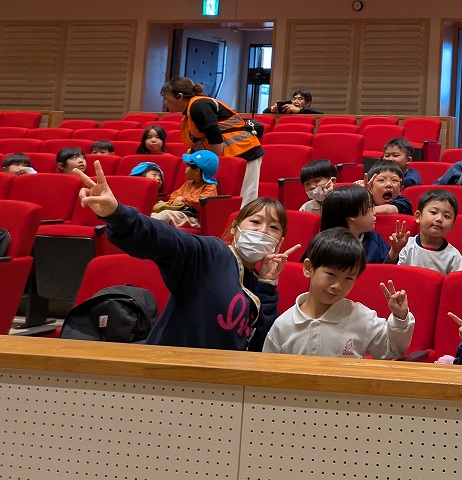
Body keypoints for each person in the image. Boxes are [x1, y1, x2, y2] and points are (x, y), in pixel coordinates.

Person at [76, 162, 297, 351]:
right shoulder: (211, 254)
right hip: (171, 370)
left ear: (279, 241)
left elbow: (263, 345)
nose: (262, 231)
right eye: (255, 222)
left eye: (273, 228)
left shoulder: (258, 285)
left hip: (220, 378)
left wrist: (267, 285)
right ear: (235, 228)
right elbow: (167, 239)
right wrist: (117, 214)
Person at [262, 228, 414, 359]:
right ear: (309, 268)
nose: (338, 286)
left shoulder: (361, 317)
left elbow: (391, 350)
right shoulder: (284, 325)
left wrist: (400, 317)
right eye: (331, 274)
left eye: (348, 278)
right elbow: (268, 369)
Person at [161, 76, 265, 205]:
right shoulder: (191, 110)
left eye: (167, 98)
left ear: (180, 96)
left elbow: (214, 135)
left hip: (245, 152)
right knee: (229, 201)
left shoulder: (198, 106)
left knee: (244, 201)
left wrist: (215, 164)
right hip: (232, 154)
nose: (165, 103)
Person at [319, 185, 404, 264]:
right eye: (369, 207)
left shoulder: (375, 239)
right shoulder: (323, 246)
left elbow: (384, 270)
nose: (374, 212)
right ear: (352, 214)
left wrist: (394, 251)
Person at [395, 188, 462, 274]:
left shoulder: (453, 256)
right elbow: (395, 274)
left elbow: (460, 281)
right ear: (418, 216)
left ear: (452, 226)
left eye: (446, 216)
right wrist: (395, 251)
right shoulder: (406, 246)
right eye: (433, 212)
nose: (439, 219)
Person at [151, 149, 219, 228]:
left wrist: (183, 199)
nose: (185, 169)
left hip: (194, 218)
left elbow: (201, 203)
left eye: (188, 166)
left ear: (197, 171)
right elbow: (173, 196)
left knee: (166, 215)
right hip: (179, 212)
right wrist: (182, 201)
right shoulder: (188, 183)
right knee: (152, 214)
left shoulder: (210, 186)